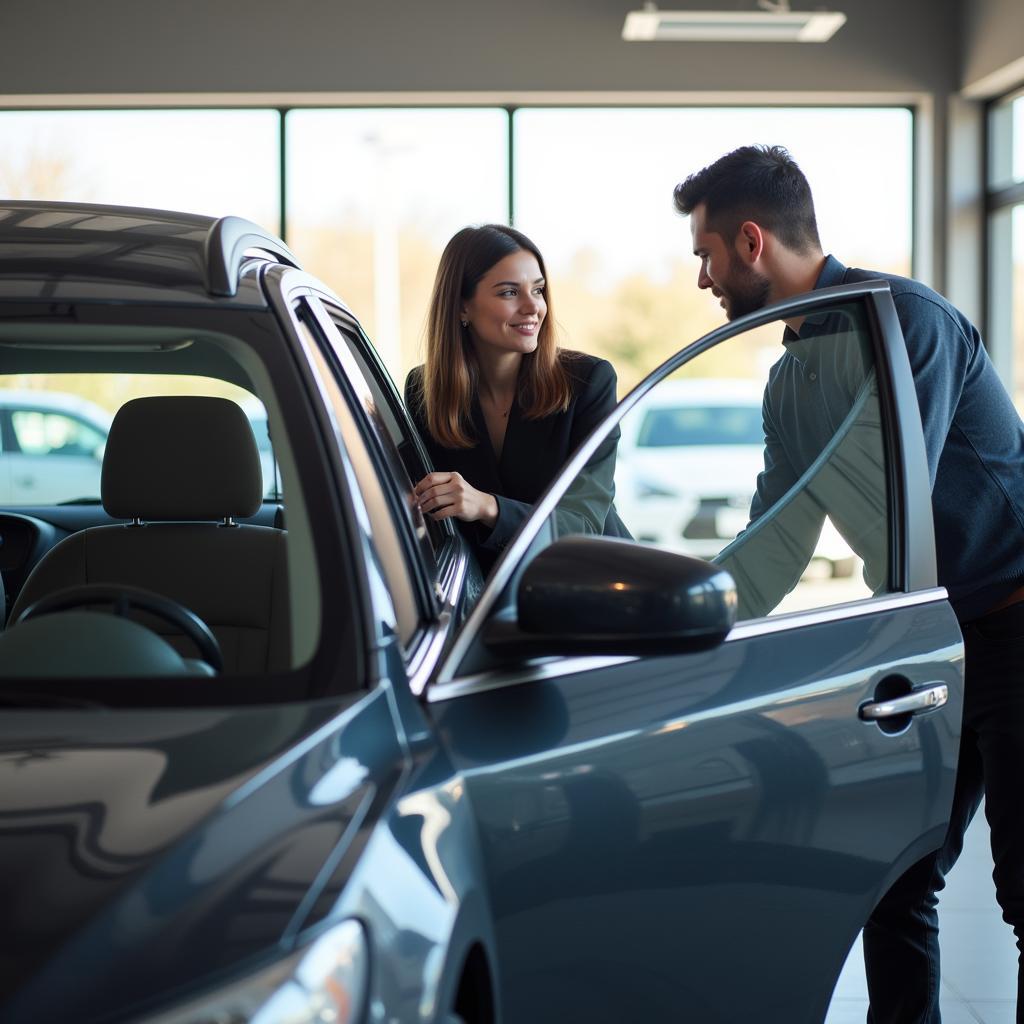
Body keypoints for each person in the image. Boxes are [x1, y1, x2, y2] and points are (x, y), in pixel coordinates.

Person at [673, 144, 1024, 1022]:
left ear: (751, 242)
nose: (704, 280)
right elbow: (773, 542)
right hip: (936, 640)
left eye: (706, 256)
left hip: (1015, 627)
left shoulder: (905, 321)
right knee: (896, 878)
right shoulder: (791, 379)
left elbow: (892, 495)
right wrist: (679, 626)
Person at [405, 224, 628, 575]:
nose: (532, 307)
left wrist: (489, 507)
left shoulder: (589, 382)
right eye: (509, 293)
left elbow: (582, 524)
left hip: (597, 588)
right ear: (462, 307)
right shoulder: (424, 390)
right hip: (490, 603)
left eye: (537, 290)